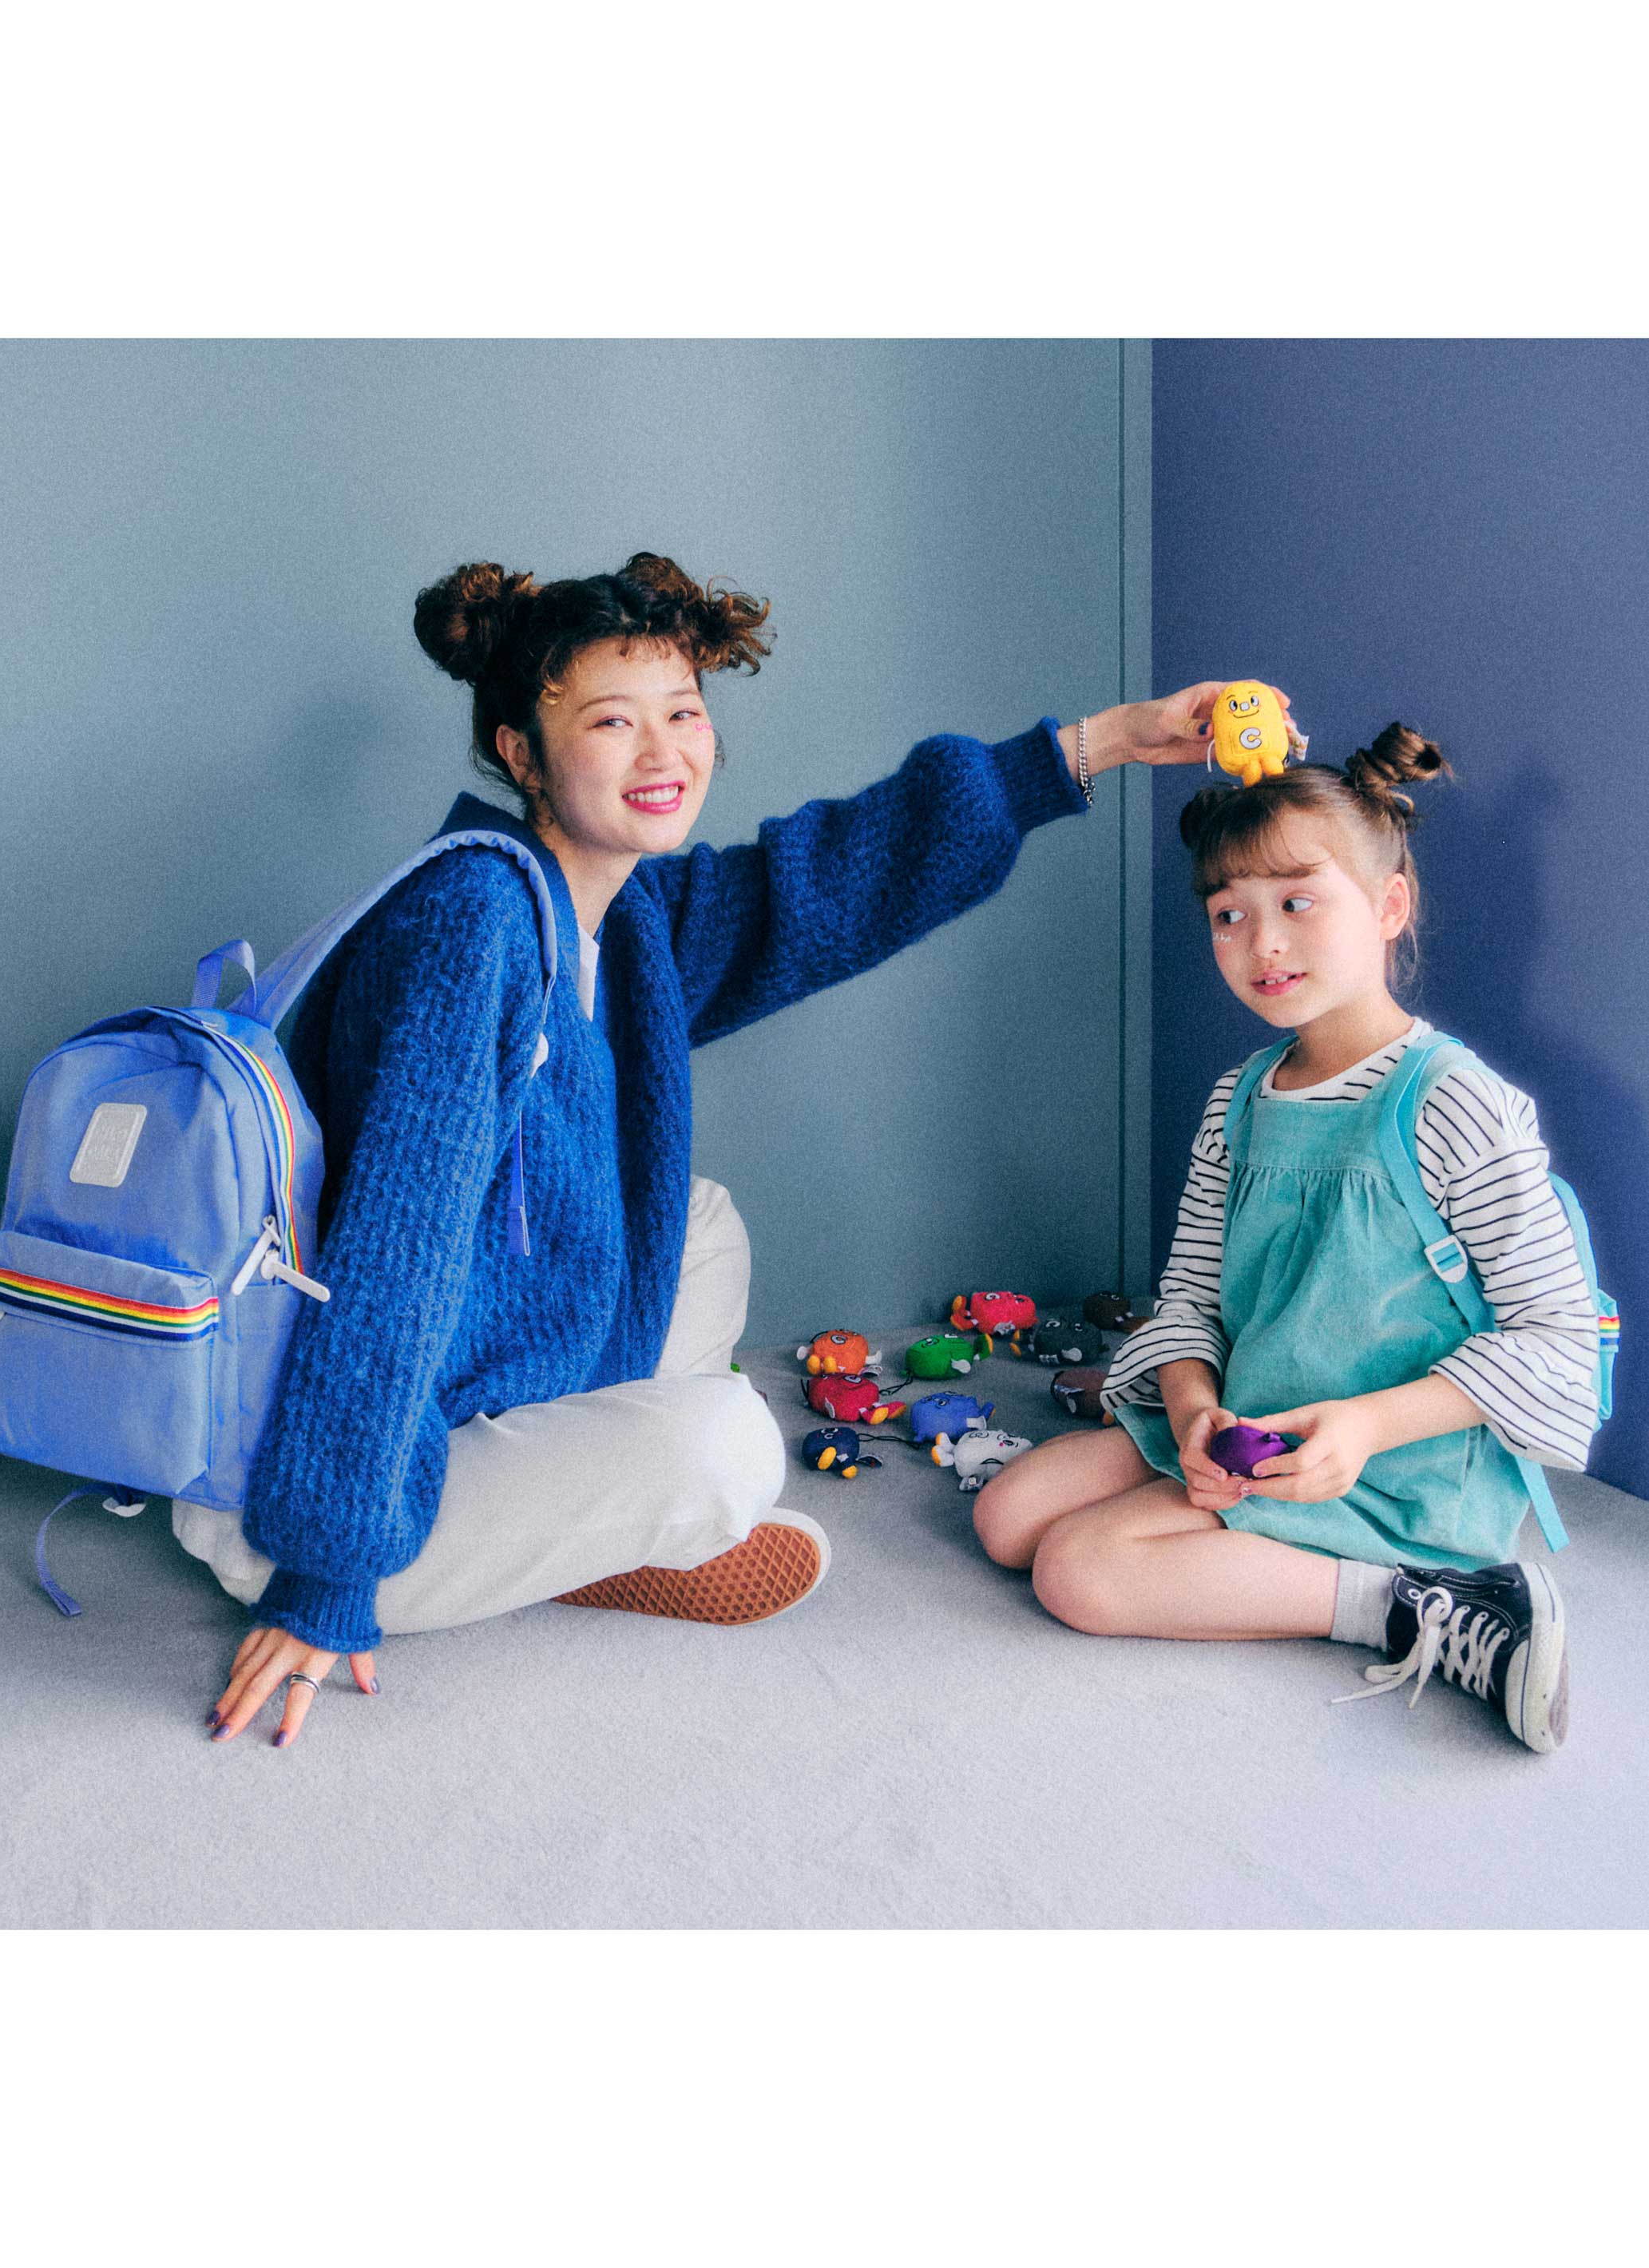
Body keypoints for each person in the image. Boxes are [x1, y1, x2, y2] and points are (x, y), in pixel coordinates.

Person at [179, 549, 1232, 1748]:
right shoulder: (472, 925)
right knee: (730, 1445)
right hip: (309, 1483)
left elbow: (830, 885)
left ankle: (587, 1528)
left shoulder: (617, 912)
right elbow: (393, 1257)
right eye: (610, 721)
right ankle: (541, 1529)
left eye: (681, 713)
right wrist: (323, 1576)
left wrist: (1104, 743)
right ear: (520, 751)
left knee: (701, 1218)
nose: (662, 753)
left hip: (461, 1385)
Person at [973, 725, 1599, 1755]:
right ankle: (1225, 1515)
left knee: (1078, 1569)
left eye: (1298, 903)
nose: (1261, 943)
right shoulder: (1240, 1099)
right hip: (1256, 1421)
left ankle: (1424, 1601)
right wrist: (1194, 1413)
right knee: (1008, 1517)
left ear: (1389, 907)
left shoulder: (1455, 1102)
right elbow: (1190, 1298)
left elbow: (1556, 1337)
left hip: (1394, 1460)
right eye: (1230, 914)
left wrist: (1361, 1427)